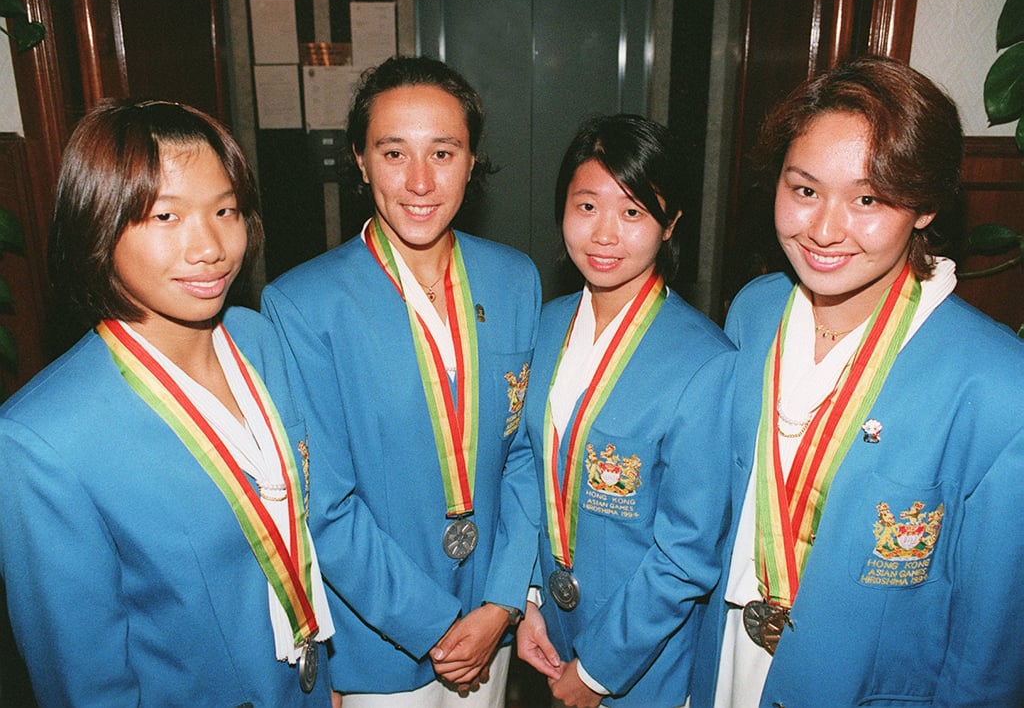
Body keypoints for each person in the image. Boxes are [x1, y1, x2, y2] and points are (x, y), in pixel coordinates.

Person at [690, 55, 1024, 707]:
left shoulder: (997, 386)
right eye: (804, 190)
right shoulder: (755, 312)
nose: (823, 230)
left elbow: (988, 651)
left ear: (925, 205)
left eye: (867, 199)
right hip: (728, 659)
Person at [0, 100, 335, 706]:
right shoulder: (41, 440)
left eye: (224, 210)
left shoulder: (259, 339)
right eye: (166, 216)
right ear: (98, 224)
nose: (209, 247)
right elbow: (84, 683)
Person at [261, 56, 541, 707]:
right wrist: (438, 626)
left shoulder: (513, 279)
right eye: (394, 153)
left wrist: (502, 600)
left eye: (443, 152)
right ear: (360, 161)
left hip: (492, 622)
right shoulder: (303, 305)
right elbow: (324, 505)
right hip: (383, 640)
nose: (419, 181)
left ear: (471, 161)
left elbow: (525, 453)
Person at [513, 114, 735, 707]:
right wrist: (525, 599)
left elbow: (687, 554)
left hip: (642, 665)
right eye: (587, 206)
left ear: (670, 223)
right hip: (550, 632)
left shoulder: (706, 362)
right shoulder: (543, 326)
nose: (604, 234)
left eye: (632, 211)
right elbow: (530, 472)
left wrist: (597, 672)